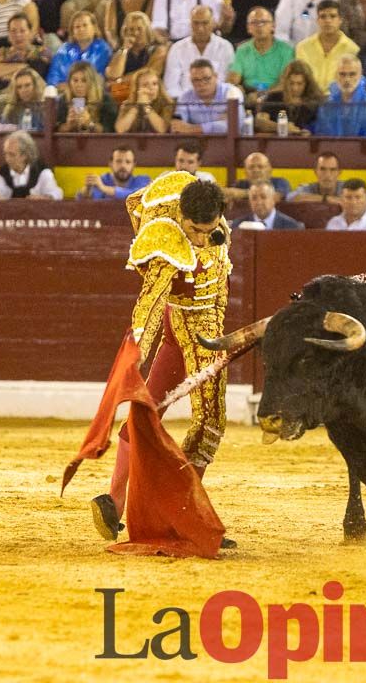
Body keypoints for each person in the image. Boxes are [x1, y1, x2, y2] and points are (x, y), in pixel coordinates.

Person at [88, 172, 233, 542]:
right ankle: (182, 517)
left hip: (200, 329)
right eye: (193, 230)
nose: (200, 238)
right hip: (188, 329)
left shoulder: (212, 220)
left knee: (149, 409)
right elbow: (150, 304)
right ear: (181, 216)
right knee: (210, 423)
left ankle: (116, 501)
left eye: (208, 230)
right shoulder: (166, 239)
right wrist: (136, 351)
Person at [163, 4, 233, 98]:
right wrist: (187, 100)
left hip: (217, 103)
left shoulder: (225, 47)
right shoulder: (177, 48)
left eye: (205, 23)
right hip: (184, 103)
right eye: (196, 23)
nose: (200, 28)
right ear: (190, 23)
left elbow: (226, 82)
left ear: (213, 23)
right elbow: (171, 85)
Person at [313, 53, 366, 137]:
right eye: (342, 74)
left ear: (361, 74)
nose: (347, 79)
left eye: (352, 74)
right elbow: (322, 138)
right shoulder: (327, 106)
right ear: (336, 75)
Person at [226, 5, 292, 98]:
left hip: (275, 96)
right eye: (254, 23)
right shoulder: (242, 50)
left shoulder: (286, 50)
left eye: (263, 22)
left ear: (273, 26)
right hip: (249, 94)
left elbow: (285, 83)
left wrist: (262, 95)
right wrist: (236, 87)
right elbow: (233, 79)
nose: (259, 27)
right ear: (248, 28)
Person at [288, 149, 366, 212]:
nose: (327, 175)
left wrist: (349, 203)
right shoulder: (308, 188)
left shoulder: (348, 188)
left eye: (332, 170)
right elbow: (291, 197)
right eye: (322, 169)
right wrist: (327, 199)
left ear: (339, 172)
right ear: (315, 171)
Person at [295, 0, 358, 89]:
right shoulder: (302, 47)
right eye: (323, 16)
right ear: (317, 20)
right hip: (309, 100)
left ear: (340, 20)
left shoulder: (352, 49)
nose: (328, 21)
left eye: (332, 16)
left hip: (338, 101)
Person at [104, 9, 166, 96]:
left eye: (139, 29)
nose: (135, 33)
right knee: (109, 94)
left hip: (148, 90)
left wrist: (120, 81)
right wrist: (124, 48)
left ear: (147, 30)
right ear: (126, 32)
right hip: (124, 91)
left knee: (115, 91)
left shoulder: (158, 49)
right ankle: (80, 108)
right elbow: (113, 74)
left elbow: (149, 73)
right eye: (131, 29)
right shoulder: (122, 51)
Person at [253, 57, 323, 134]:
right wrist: (282, 127)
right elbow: (259, 122)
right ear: (286, 82)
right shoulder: (274, 97)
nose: (295, 88)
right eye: (291, 83)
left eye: (299, 84)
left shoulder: (316, 100)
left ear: (307, 84)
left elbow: (321, 125)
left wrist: (309, 131)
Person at [173, 57, 242, 133]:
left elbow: (234, 125)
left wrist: (193, 128)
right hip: (196, 143)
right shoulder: (185, 98)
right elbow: (177, 127)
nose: (201, 84)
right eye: (196, 80)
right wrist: (219, 124)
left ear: (215, 77)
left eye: (206, 78)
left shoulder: (231, 92)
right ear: (190, 80)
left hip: (229, 143)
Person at [0, 129, 64, 199]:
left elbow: (57, 193)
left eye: (12, 155)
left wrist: (45, 197)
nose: (7, 159)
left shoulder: (42, 171)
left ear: (25, 155)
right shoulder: (0, 174)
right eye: (5, 154)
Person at [47, 10, 113, 85]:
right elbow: (53, 77)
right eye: (77, 27)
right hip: (63, 93)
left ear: (94, 28)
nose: (81, 29)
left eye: (85, 25)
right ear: (73, 32)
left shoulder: (103, 48)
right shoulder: (64, 50)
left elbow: (98, 77)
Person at [55, 60, 118, 132]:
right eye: (75, 80)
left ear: (92, 82)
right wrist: (68, 126)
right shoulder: (64, 99)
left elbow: (109, 131)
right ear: (69, 82)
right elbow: (57, 130)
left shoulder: (105, 99)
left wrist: (89, 123)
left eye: (84, 80)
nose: (79, 85)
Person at [77, 145, 150, 199]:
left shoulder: (143, 180)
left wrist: (104, 188)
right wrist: (87, 189)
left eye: (128, 162)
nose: (123, 166)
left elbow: (137, 196)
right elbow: (82, 202)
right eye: (118, 161)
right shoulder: (103, 180)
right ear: (111, 164)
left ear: (134, 165)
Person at [114, 66, 173, 131]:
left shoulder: (167, 104)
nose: (151, 88)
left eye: (154, 84)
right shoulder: (127, 104)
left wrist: (146, 107)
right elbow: (120, 129)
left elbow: (162, 129)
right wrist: (137, 106)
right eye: (145, 85)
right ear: (137, 89)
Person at [233, 179, 304, 228]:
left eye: (263, 197)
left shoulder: (291, 227)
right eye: (254, 198)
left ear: (273, 199)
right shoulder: (237, 225)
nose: (259, 202)